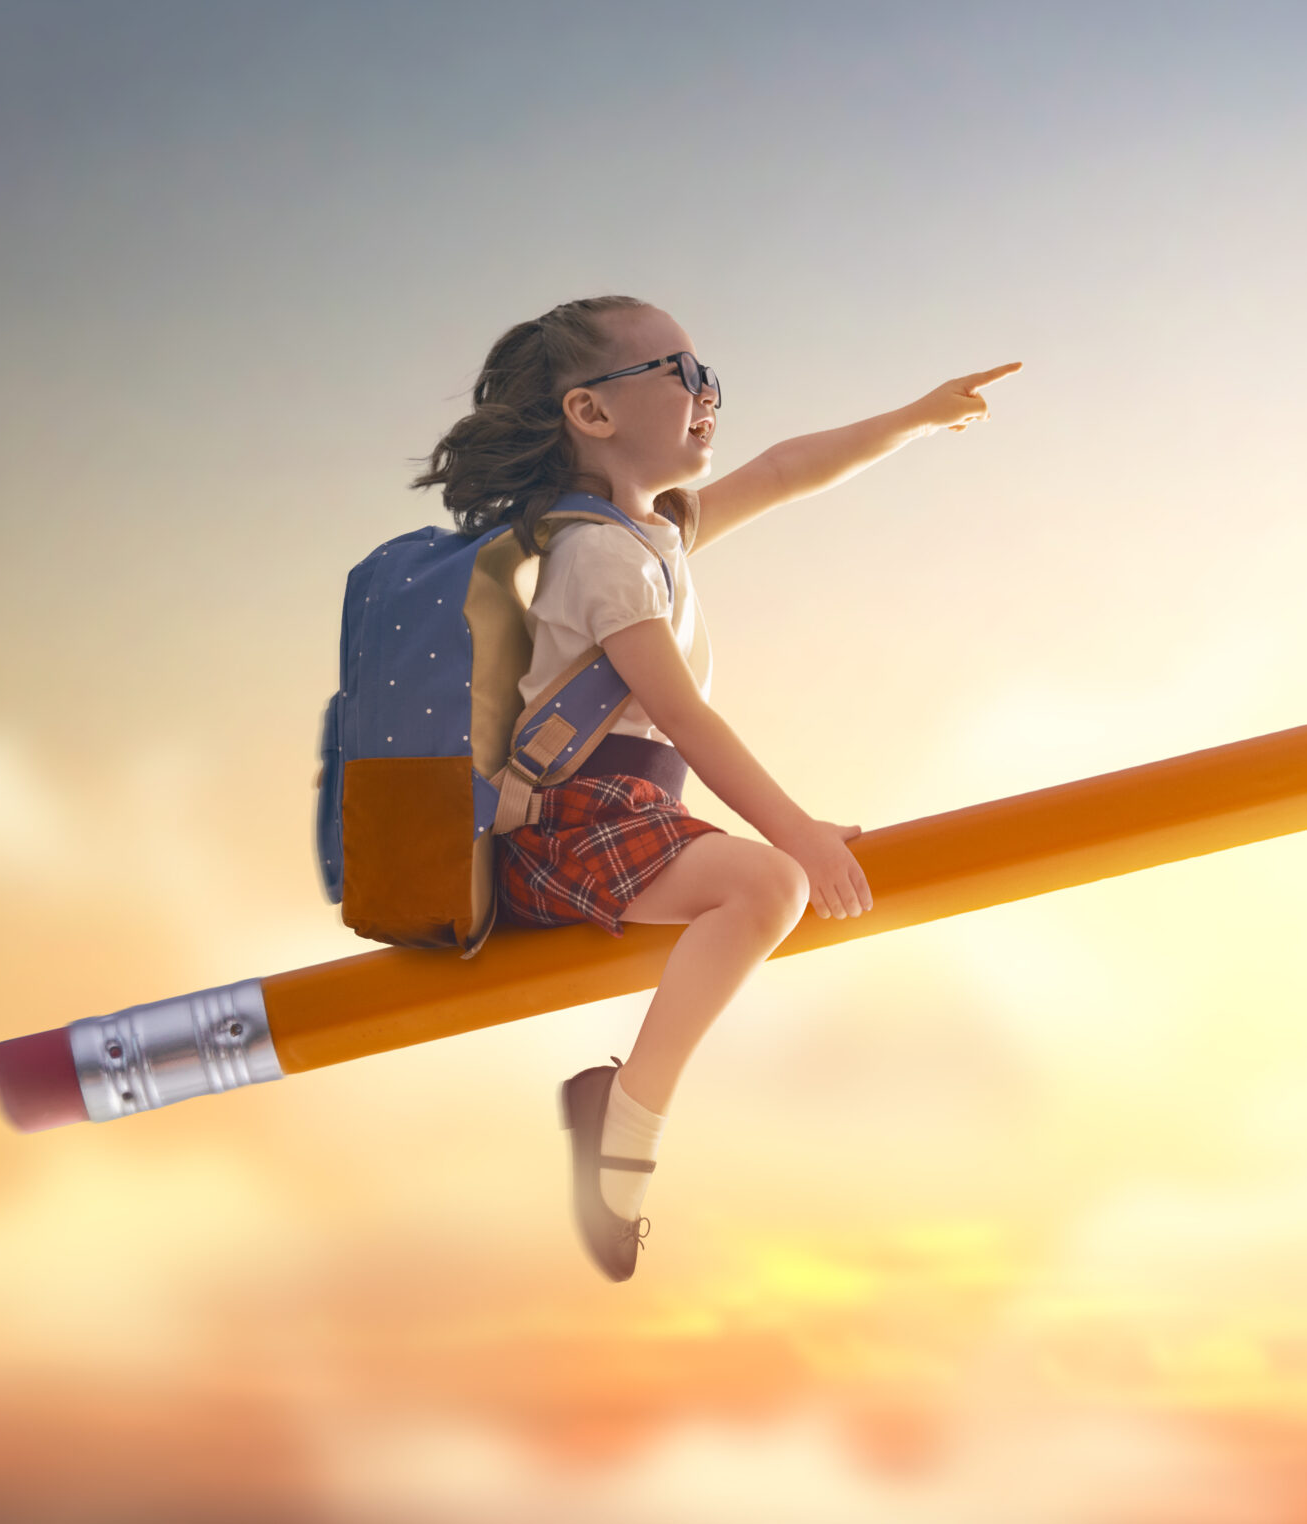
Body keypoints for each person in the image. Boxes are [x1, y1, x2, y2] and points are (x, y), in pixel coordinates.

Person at [414, 295, 1018, 1281]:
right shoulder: (599, 556)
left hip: (630, 812)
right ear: (592, 413)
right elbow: (685, 716)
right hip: (572, 821)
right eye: (681, 376)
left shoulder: (649, 534)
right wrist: (800, 837)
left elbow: (782, 470)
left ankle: (618, 1112)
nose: (707, 396)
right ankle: (625, 1124)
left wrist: (917, 417)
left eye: (709, 377)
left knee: (763, 885)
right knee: (769, 885)